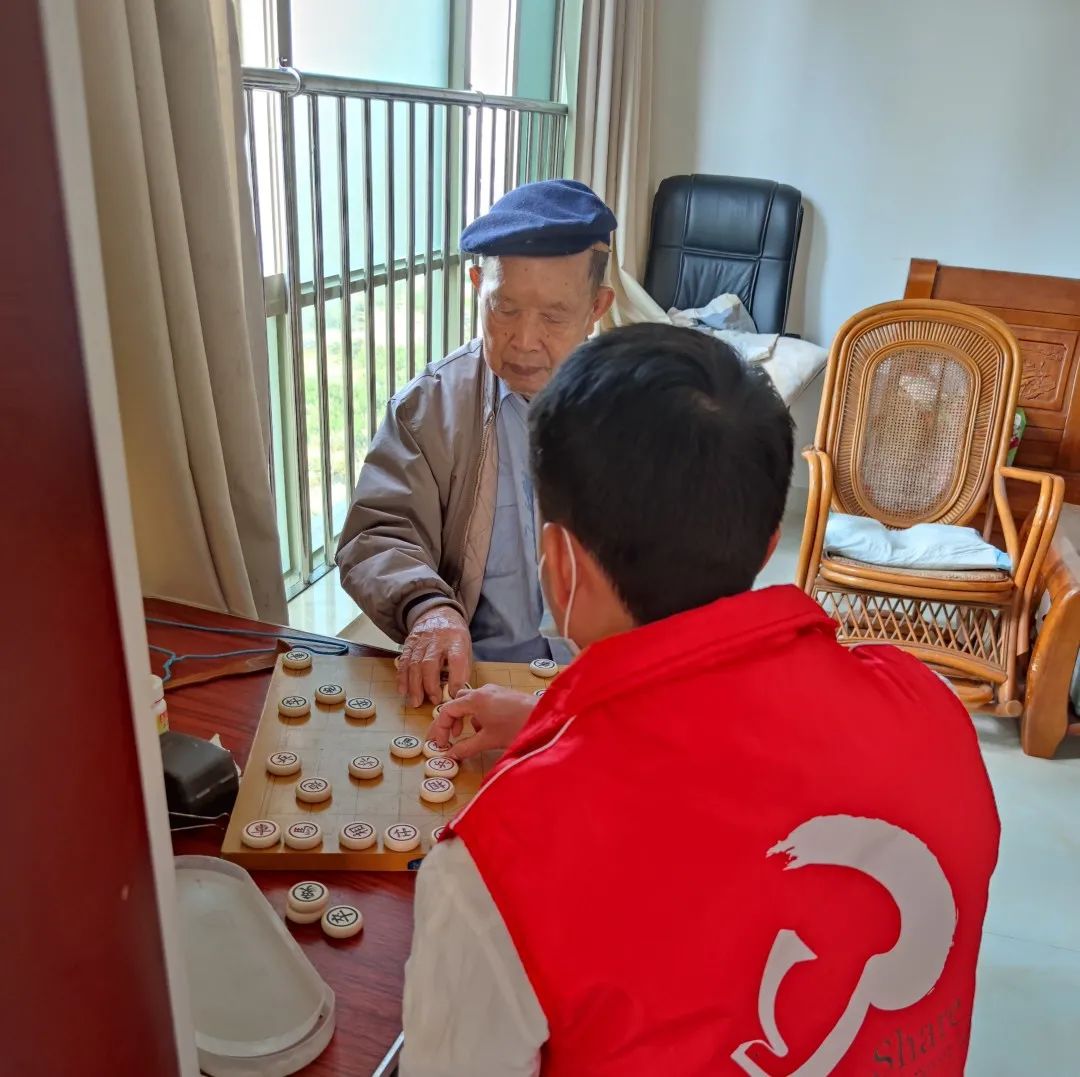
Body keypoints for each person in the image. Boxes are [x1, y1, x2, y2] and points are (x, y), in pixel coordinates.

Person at [400, 324, 1000, 1077]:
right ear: (765, 543)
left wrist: (567, 757)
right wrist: (563, 726)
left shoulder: (497, 863)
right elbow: (746, 763)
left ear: (558, 564)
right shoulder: (931, 710)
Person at [335, 179, 616, 708]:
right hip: (476, 681)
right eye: (504, 308)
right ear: (476, 285)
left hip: (606, 687)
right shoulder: (430, 408)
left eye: (554, 316)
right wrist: (430, 610)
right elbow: (376, 535)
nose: (525, 341)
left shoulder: (643, 409)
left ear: (597, 306)